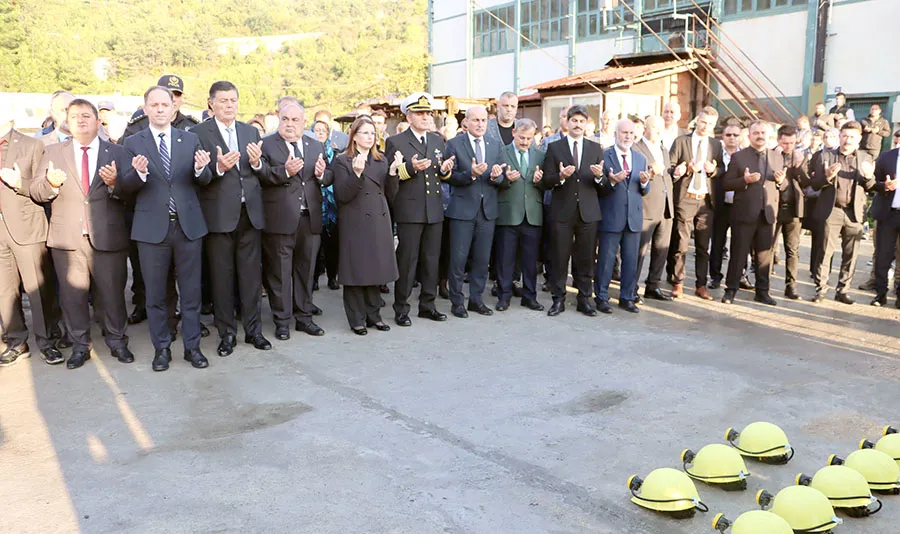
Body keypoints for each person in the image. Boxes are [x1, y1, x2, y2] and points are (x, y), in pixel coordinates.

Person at [30, 99, 141, 369]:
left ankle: (117, 341)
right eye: (74, 116)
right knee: (72, 297)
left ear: (97, 121)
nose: (80, 120)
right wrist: (50, 184)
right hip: (67, 239)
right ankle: (80, 346)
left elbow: (132, 194)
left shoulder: (117, 152)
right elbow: (36, 191)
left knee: (113, 293)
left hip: (108, 237)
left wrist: (116, 183)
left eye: (86, 115)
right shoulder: (52, 152)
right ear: (66, 121)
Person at [123, 86, 213, 371]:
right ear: (146, 108)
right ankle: (161, 348)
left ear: (174, 109)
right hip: (151, 230)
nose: (161, 109)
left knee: (191, 293)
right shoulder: (133, 142)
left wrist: (201, 170)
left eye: (166, 104)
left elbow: (206, 179)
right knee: (156, 295)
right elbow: (123, 188)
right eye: (155, 104)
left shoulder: (190, 139)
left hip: (187, 227)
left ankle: (192, 347)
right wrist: (137, 174)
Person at [191, 81, 272, 355]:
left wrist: (259, 163)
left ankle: (254, 331)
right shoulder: (198, 133)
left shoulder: (250, 131)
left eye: (233, 101)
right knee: (222, 279)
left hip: (250, 214)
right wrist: (218, 167)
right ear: (211, 103)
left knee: (251, 278)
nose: (229, 106)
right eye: (223, 101)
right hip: (218, 217)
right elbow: (197, 177)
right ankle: (227, 334)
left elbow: (261, 171)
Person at [259, 102, 331, 340]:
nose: (289, 125)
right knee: (280, 273)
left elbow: (328, 176)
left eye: (294, 120)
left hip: (309, 218)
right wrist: (285, 172)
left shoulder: (315, 144)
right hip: (280, 219)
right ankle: (282, 321)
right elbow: (261, 176)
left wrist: (322, 175)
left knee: (306, 271)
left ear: (303, 122)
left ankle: (304, 317)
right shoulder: (267, 144)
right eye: (285, 119)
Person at [383, 92, 454, 326]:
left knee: (431, 260)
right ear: (409, 116)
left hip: (434, 210)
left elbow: (440, 174)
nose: (426, 117)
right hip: (410, 210)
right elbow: (391, 177)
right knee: (408, 261)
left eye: (428, 113)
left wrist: (444, 169)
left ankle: (427, 305)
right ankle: (401, 308)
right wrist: (411, 168)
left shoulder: (436, 140)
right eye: (420, 113)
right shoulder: (396, 142)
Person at [0, 112, 64, 366]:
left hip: (26, 227)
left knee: (38, 288)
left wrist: (19, 182)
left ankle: (47, 341)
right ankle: (16, 341)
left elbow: (42, 189)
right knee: (4, 290)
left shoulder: (32, 145)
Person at [332, 116, 401, 334]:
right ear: (354, 136)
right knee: (356, 270)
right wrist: (357, 174)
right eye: (365, 133)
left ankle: (374, 315)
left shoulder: (381, 160)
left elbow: (390, 194)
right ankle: (356, 319)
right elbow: (342, 195)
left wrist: (392, 174)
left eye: (373, 133)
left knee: (376, 268)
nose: (370, 137)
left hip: (379, 219)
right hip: (355, 219)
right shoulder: (342, 160)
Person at [539, 104, 605, 317]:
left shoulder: (596, 148)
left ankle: (584, 299)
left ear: (587, 125)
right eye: (574, 120)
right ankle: (558, 299)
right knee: (559, 258)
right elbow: (545, 182)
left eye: (582, 121)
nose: (578, 125)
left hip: (588, 212)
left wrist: (598, 176)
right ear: (567, 122)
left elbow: (602, 184)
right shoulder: (555, 148)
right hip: (562, 212)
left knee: (585, 259)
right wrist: (560, 177)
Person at [444, 105, 506, 318]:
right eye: (476, 120)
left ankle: (476, 300)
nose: (480, 124)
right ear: (466, 123)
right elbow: (448, 177)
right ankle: (457, 301)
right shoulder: (453, 144)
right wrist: (469, 174)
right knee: (458, 259)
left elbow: (501, 178)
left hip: (487, 211)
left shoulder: (495, 145)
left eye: (483, 120)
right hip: (462, 210)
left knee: (482, 259)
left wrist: (497, 176)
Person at [808, 121, 876, 304]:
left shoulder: (866, 158)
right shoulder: (826, 156)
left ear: (859, 139)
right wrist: (827, 176)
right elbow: (814, 184)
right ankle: (820, 289)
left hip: (854, 213)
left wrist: (869, 177)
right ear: (839, 136)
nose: (848, 140)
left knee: (851, 254)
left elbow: (871, 187)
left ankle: (843, 291)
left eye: (852, 137)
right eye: (845, 135)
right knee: (825, 252)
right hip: (832, 211)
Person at [721, 121, 784, 306]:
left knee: (765, 256)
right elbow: (727, 183)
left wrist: (781, 182)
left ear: (769, 135)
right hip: (744, 213)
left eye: (763, 132)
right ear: (749, 136)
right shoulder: (739, 157)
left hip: (767, 214)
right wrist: (745, 180)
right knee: (738, 253)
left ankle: (762, 291)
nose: (760, 136)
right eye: (756, 133)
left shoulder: (777, 157)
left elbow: (782, 185)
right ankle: (731, 290)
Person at [667, 106, 725, 300]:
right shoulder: (681, 141)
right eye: (702, 122)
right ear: (696, 121)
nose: (705, 126)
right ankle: (678, 282)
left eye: (709, 124)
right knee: (681, 244)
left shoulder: (716, 145)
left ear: (713, 125)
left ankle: (701, 284)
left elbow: (722, 169)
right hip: (686, 199)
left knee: (703, 247)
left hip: (706, 202)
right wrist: (683, 170)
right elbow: (671, 167)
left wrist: (712, 171)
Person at [595, 119, 651, 314]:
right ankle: (601, 297)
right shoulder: (604, 155)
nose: (627, 136)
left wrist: (645, 183)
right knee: (606, 260)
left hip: (633, 218)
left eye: (631, 133)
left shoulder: (640, 158)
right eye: (624, 132)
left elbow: (644, 189)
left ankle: (627, 297)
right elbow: (598, 187)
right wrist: (610, 181)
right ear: (616, 134)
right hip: (611, 215)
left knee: (631, 260)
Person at [495, 118, 545, 311]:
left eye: (529, 138)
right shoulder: (501, 153)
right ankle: (504, 296)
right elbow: (495, 180)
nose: (525, 142)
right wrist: (504, 179)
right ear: (514, 133)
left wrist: (540, 181)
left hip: (532, 214)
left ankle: (530, 296)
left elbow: (544, 183)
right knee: (505, 258)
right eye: (522, 137)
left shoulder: (540, 155)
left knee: (530, 261)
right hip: (508, 213)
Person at [633, 115, 674, 302]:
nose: (658, 132)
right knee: (639, 252)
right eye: (655, 128)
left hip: (666, 207)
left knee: (661, 250)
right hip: (646, 207)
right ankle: (631, 288)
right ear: (645, 129)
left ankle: (653, 286)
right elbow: (632, 177)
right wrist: (650, 173)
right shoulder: (636, 149)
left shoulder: (664, 149)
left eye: (661, 128)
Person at [772, 125, 809, 300]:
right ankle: (763, 282)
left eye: (792, 143)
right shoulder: (770, 155)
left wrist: (800, 164)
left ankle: (791, 285)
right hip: (773, 207)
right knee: (767, 247)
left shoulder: (800, 157)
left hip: (793, 208)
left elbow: (806, 182)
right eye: (785, 143)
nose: (788, 146)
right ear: (778, 140)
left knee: (792, 249)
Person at [709, 123, 742, 289]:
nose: (732, 138)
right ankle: (715, 276)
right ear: (723, 137)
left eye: (735, 135)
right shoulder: (716, 155)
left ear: (741, 137)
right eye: (729, 135)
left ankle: (740, 276)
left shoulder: (745, 155)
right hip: (720, 205)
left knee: (740, 243)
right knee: (717, 243)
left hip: (739, 205)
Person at [121, 75, 198, 141]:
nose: (173, 99)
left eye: (177, 94)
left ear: (182, 98)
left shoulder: (193, 127)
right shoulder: (138, 126)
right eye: (168, 94)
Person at [312, 119, 340, 292]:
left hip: (333, 205)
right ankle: (313, 278)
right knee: (315, 246)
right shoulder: (308, 150)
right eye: (317, 130)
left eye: (323, 130)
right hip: (315, 203)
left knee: (332, 244)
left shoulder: (335, 153)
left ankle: (332, 277)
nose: (320, 133)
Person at [870, 144, 900, 307]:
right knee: (883, 255)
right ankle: (880, 294)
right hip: (888, 215)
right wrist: (884, 186)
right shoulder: (886, 157)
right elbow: (872, 182)